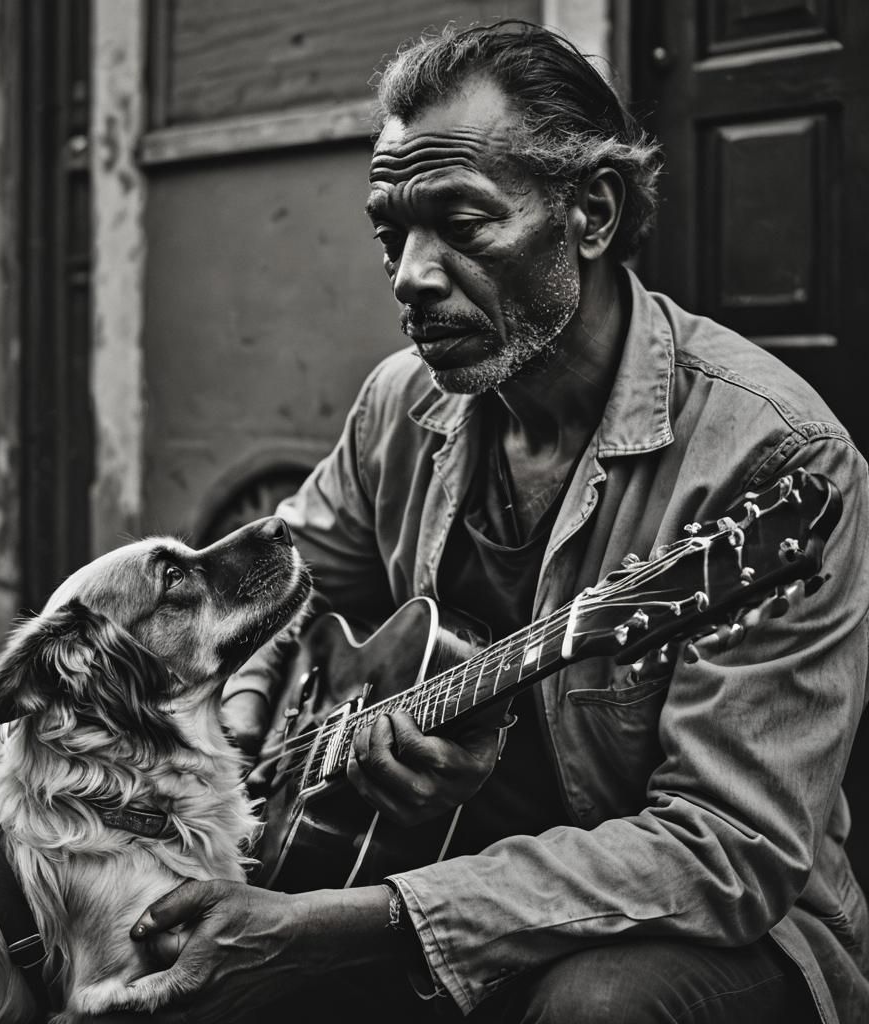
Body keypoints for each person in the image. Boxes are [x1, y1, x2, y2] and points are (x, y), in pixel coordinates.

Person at [130, 21, 869, 1024]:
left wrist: (355, 922)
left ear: (591, 213)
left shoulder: (775, 461)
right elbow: (283, 587)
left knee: (594, 1008)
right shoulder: (400, 401)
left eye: (461, 223)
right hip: (417, 858)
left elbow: (727, 847)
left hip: (710, 934)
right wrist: (258, 726)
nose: (410, 275)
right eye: (391, 235)